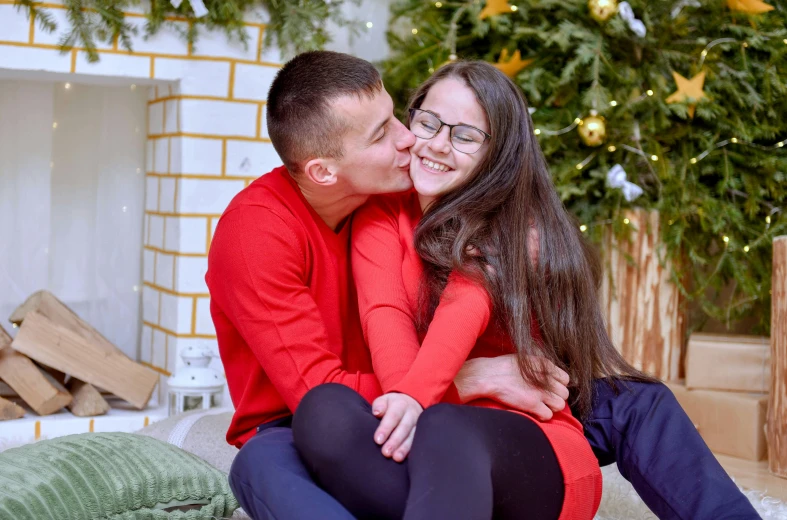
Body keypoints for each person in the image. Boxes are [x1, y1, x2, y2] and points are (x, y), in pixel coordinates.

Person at [205, 50, 761, 520]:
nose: (411, 141)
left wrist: (464, 380)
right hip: (333, 416)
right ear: (325, 170)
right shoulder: (264, 233)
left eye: (403, 117)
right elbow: (323, 381)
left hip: (453, 411)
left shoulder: (411, 193)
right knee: (266, 461)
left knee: (633, 401)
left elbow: (466, 302)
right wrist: (467, 379)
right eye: (387, 133)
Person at [292, 60, 614, 520]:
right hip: (429, 437)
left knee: (441, 426)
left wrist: (419, 398)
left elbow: (467, 303)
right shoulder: (380, 215)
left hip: (531, 449)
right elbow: (385, 315)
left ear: (494, 154)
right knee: (323, 412)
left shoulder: (508, 226)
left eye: (464, 136)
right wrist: (420, 395)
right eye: (428, 123)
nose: (437, 144)